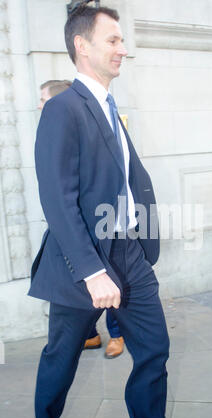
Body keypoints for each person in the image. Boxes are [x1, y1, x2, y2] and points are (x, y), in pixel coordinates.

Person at [28, 4, 177, 418]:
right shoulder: (62, 109)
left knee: (154, 350)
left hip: (129, 253)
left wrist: (143, 237)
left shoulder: (110, 107)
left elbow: (129, 180)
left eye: (122, 41)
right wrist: (92, 272)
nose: (123, 50)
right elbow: (57, 199)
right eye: (112, 40)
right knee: (61, 359)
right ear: (82, 45)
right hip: (84, 260)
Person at [38, 79, 125, 358]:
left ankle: (117, 334)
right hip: (73, 233)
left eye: (43, 99)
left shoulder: (88, 121)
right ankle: (90, 335)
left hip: (105, 230)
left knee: (114, 289)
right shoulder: (53, 125)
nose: (40, 105)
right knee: (74, 300)